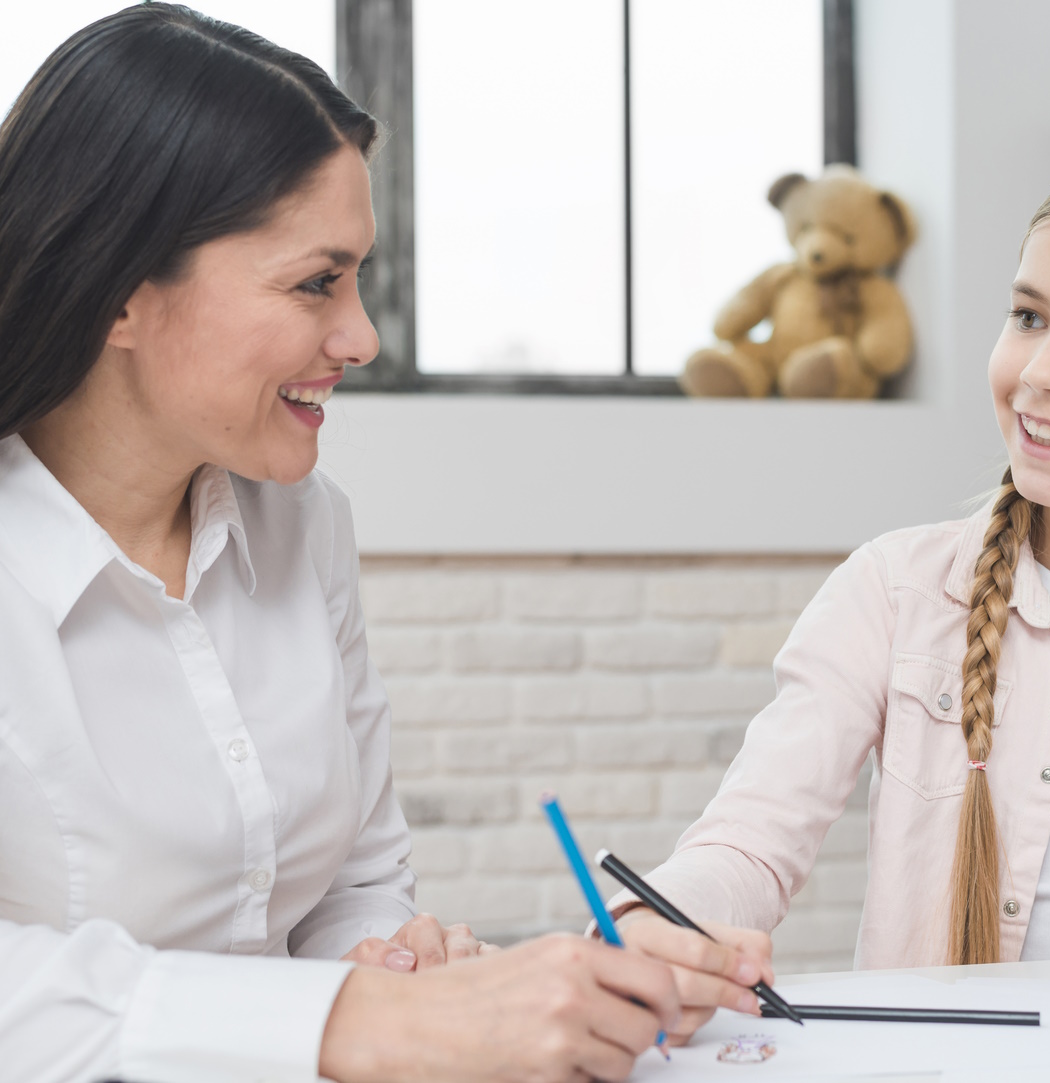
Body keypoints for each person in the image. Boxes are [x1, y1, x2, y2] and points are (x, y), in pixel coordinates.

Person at [0, 6, 769, 1080]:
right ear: (122, 292)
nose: (361, 337)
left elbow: (350, 880)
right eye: (317, 282)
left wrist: (391, 964)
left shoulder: (301, 523)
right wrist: (361, 1023)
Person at [611, 150, 1050, 968]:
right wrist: (655, 919)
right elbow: (746, 842)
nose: (1041, 372)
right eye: (1028, 316)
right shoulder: (894, 591)